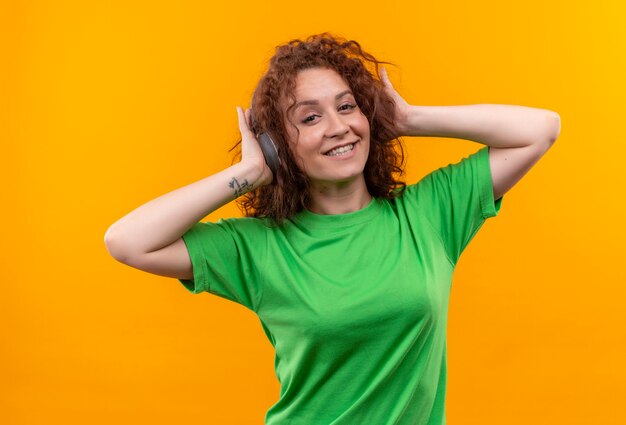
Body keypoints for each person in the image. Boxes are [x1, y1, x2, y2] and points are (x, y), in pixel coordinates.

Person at [104, 33, 560, 425]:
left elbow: (540, 128)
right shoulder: (259, 247)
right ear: (279, 145)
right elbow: (127, 241)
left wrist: (408, 120)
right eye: (310, 117)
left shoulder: (429, 215)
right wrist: (253, 170)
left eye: (347, 107)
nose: (339, 127)